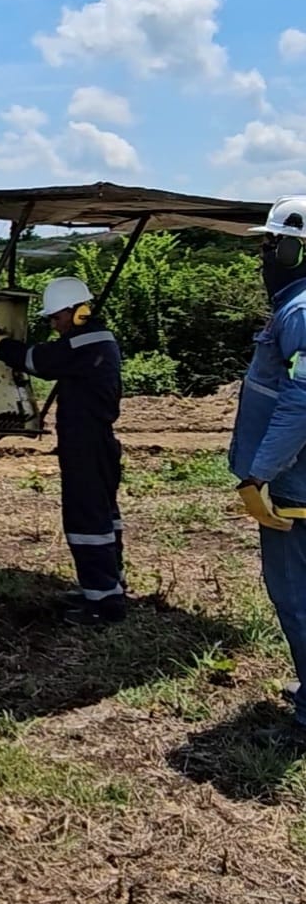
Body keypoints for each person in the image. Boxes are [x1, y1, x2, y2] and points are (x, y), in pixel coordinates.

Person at [0, 276, 125, 627]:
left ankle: (102, 604)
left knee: (87, 519)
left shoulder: (86, 341)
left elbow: (38, 361)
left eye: (56, 317)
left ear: (76, 312)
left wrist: (0, 346)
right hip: (96, 441)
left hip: (86, 443)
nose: (53, 324)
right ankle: (108, 586)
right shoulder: (93, 339)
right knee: (105, 515)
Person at [229, 195, 306, 741]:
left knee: (296, 596)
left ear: (292, 248)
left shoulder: (300, 311)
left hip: (293, 484)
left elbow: (302, 399)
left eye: (269, 244)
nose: (263, 255)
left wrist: (258, 474)